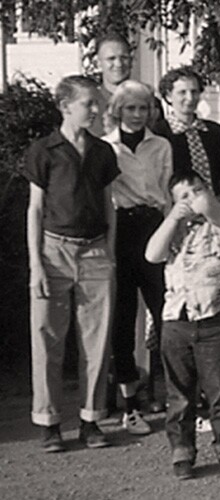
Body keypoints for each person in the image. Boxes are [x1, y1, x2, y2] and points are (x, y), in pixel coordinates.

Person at [25, 75, 119, 452]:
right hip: (53, 253)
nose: (97, 110)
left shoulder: (102, 152)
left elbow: (110, 206)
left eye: (97, 104)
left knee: (96, 344)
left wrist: (109, 254)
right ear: (65, 107)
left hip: (96, 253)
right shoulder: (43, 150)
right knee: (47, 339)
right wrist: (35, 265)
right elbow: (34, 209)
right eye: (89, 105)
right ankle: (48, 423)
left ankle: (90, 420)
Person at [144, 170, 220, 479]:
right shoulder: (172, 230)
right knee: (179, 394)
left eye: (198, 190)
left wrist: (209, 204)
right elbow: (152, 255)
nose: (193, 199)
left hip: (214, 320)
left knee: (219, 390)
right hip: (177, 321)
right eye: (184, 196)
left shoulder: (219, 224)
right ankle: (182, 451)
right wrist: (173, 218)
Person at [104, 80, 173, 436]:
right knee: (123, 317)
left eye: (143, 108)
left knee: (167, 312)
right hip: (120, 230)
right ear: (118, 110)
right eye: (129, 108)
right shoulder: (105, 147)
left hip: (153, 226)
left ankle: (173, 396)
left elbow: (166, 193)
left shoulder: (161, 145)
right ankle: (130, 405)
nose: (136, 114)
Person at [153, 66, 220, 236]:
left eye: (194, 92)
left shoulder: (216, 133)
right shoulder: (159, 134)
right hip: (177, 218)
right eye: (182, 92)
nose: (189, 98)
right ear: (169, 96)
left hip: (215, 217)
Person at [88, 32, 133, 137]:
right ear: (98, 63)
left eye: (124, 58)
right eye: (111, 59)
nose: (119, 64)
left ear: (131, 61)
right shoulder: (89, 104)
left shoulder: (148, 101)